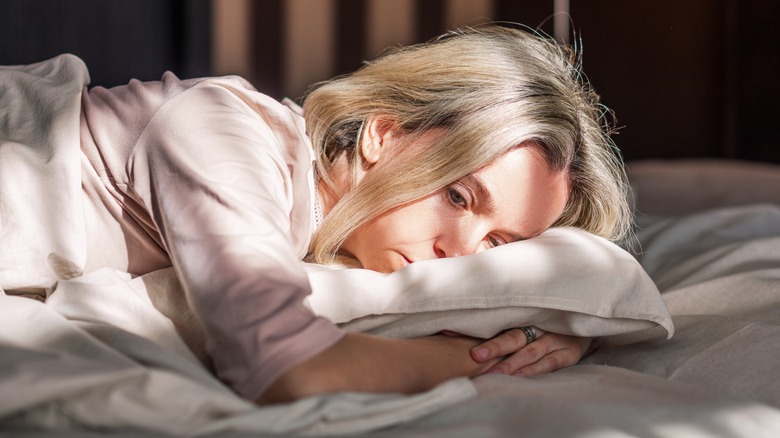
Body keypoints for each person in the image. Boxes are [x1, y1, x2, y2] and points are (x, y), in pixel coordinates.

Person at [0, 25, 631, 404]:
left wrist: (551, 323)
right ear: (383, 134)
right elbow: (288, 371)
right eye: (458, 196)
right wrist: (498, 353)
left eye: (498, 244)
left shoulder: (317, 232)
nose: (461, 254)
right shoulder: (222, 133)